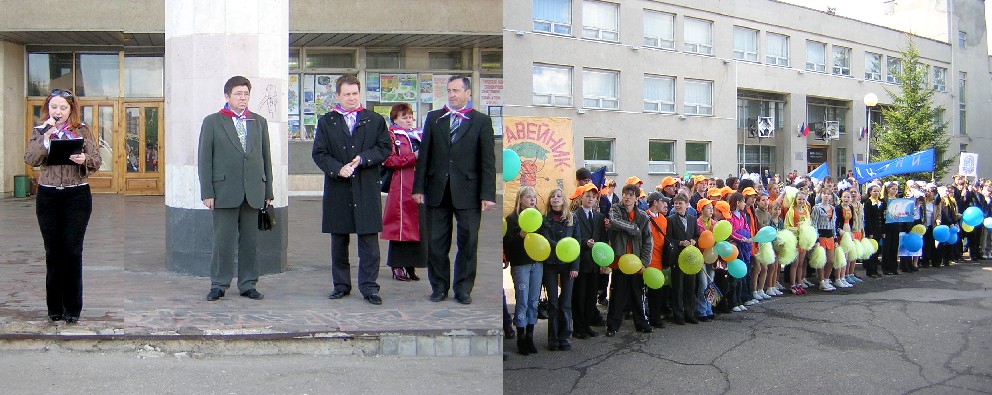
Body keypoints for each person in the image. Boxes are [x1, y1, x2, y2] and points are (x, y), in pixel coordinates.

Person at [413, 75, 496, 305]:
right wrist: (418, 187)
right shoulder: (434, 118)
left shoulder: (480, 121)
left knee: (468, 242)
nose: (452, 95)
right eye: (449, 90)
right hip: (437, 190)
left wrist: (487, 194)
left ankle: (463, 288)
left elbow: (487, 161)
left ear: (468, 93)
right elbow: (425, 156)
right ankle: (439, 287)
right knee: (436, 243)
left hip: (468, 192)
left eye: (457, 90)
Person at [312, 75, 392, 305]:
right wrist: (338, 169)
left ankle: (369, 287)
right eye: (346, 94)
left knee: (369, 241)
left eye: (355, 93)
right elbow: (319, 153)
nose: (351, 98)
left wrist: (364, 159)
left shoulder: (374, 119)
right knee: (339, 241)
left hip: (366, 187)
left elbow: (385, 147)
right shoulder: (327, 121)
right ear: (338, 96)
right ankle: (341, 285)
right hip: (338, 188)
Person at [24, 89, 102, 323]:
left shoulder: (81, 130)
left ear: (71, 110)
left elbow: (96, 160)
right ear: (47, 108)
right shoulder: (40, 131)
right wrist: (46, 139)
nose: (58, 112)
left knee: (72, 251)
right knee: (53, 252)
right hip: (48, 196)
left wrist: (83, 160)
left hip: (76, 196)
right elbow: (30, 159)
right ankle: (54, 308)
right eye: (54, 107)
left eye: (63, 108)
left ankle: (72, 309)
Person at [197, 76, 273, 302]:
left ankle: (248, 283)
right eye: (238, 94)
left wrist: (268, 192)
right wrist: (207, 192)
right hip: (224, 192)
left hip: (254, 192)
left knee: (251, 241)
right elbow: (204, 159)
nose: (243, 98)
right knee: (223, 241)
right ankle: (219, 284)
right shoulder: (212, 121)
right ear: (227, 96)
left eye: (246, 94)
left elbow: (265, 158)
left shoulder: (258, 122)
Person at [382, 103, 426, 282]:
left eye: (410, 117)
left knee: (418, 227)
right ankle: (397, 264)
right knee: (400, 227)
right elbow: (389, 160)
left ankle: (412, 265)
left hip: (420, 186)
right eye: (404, 117)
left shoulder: (418, 135)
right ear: (394, 120)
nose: (408, 120)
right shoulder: (391, 136)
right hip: (401, 186)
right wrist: (412, 157)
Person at [605, 184, 653, 336]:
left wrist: (645, 262)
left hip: (636, 261)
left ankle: (641, 323)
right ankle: (613, 325)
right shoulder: (615, 209)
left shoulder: (643, 216)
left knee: (637, 293)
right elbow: (614, 221)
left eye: (631, 195)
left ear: (637, 198)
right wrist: (634, 228)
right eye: (625, 194)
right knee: (617, 293)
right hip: (620, 260)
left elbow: (648, 241)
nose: (627, 197)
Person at [539, 188, 580, 351]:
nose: (555, 199)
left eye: (558, 196)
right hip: (550, 263)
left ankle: (564, 337)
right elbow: (545, 241)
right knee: (553, 303)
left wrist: (575, 266)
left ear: (564, 200)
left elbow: (577, 242)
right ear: (549, 201)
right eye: (553, 197)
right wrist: (561, 247)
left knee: (566, 302)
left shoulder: (572, 218)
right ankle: (553, 338)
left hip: (568, 264)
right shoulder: (543, 220)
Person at [504, 186, 541, 355]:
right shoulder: (512, 219)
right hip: (521, 265)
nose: (532, 200)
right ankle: (521, 336)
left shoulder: (539, 217)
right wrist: (519, 236)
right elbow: (507, 245)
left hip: (537, 264)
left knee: (534, 300)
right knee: (523, 301)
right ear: (520, 199)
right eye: (528, 197)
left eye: (534, 197)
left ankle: (530, 335)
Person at [570, 183, 607, 340]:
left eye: (593, 197)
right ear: (581, 198)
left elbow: (602, 239)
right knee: (579, 296)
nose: (590, 199)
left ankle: (587, 325)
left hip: (594, 263)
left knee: (591, 296)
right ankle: (578, 327)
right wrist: (584, 243)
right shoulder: (574, 215)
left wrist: (603, 262)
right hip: (580, 262)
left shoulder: (598, 217)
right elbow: (570, 239)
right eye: (587, 196)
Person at [668, 194, 701, 324]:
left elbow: (698, 236)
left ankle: (690, 313)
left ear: (687, 205)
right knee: (678, 287)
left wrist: (694, 241)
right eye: (675, 203)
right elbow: (668, 238)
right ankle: (678, 315)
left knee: (690, 286)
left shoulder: (693, 219)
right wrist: (680, 243)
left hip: (691, 258)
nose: (677, 205)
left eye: (680, 203)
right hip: (677, 257)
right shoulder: (670, 220)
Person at [644, 192, 670, 328]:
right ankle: (644, 317)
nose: (664, 205)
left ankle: (655, 316)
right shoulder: (644, 216)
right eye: (662, 201)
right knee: (643, 290)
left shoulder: (664, 220)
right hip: (647, 259)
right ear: (655, 202)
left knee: (657, 290)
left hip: (659, 259)